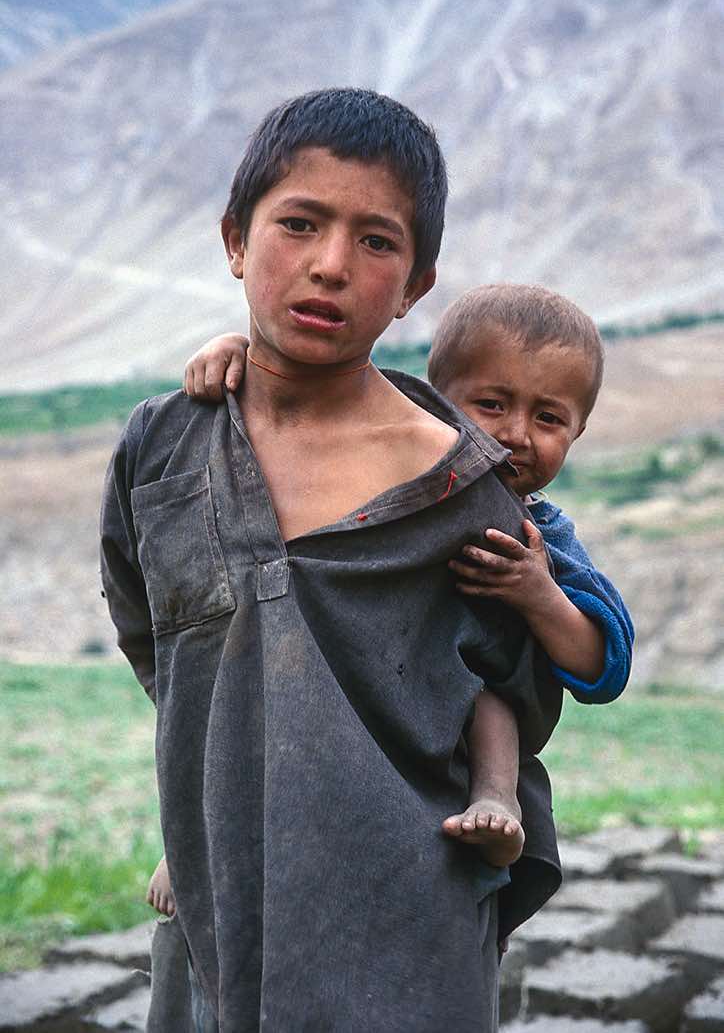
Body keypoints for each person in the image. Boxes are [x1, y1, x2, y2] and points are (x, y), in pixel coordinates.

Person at [101, 88, 563, 1032]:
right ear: (236, 239)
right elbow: (153, 636)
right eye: (299, 223)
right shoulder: (162, 450)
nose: (329, 266)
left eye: (376, 241)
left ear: (416, 285)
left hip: (407, 933)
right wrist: (216, 789)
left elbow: (517, 686)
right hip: (215, 914)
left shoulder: (463, 487)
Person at [169, 283, 633, 903]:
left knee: (488, 685)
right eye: (491, 404)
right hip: (347, 690)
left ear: (578, 431)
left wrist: (537, 592)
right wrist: (236, 354)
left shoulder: (536, 531)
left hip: (453, 727)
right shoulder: (387, 474)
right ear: (435, 401)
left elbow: (603, 664)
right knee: (245, 683)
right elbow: (314, 406)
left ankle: (496, 799)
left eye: (548, 418)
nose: (518, 433)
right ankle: (187, 844)